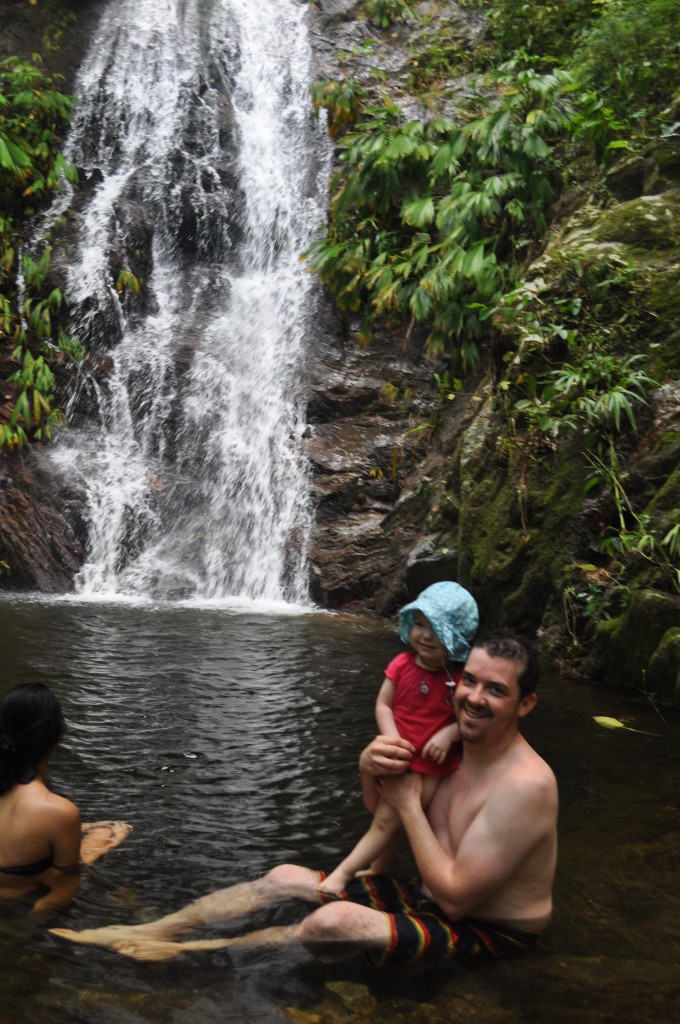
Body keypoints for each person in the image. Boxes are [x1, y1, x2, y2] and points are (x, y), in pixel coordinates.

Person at [49, 630, 559, 967]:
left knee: (332, 920)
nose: (473, 697)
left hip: (489, 930)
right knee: (284, 876)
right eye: (468, 680)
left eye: (494, 690)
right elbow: (377, 815)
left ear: (527, 703)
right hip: (431, 895)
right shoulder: (453, 746)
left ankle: (201, 949)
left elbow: (456, 897)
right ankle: (157, 928)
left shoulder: (525, 786)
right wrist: (369, 769)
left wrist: (405, 804)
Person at [319, 580, 479, 894]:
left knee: (387, 818)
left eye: (437, 630)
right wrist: (391, 738)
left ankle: (342, 874)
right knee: (384, 813)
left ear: (455, 638)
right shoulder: (402, 664)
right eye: (420, 625)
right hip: (398, 753)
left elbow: (469, 722)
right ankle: (380, 868)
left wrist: (449, 734)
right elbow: (383, 704)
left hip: (431, 765)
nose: (426, 636)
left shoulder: (460, 678)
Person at [0, 682, 131, 913]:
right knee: (110, 838)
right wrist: (98, 847)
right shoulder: (58, 811)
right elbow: (67, 880)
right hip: (17, 909)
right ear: (54, 738)